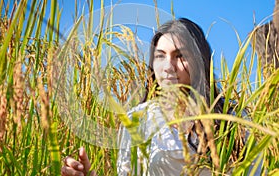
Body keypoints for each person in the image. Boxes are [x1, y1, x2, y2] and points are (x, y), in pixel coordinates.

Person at [61, 18, 226, 176]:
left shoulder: (231, 119)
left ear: (200, 60)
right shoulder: (137, 120)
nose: (168, 67)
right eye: (160, 56)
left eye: (180, 55)